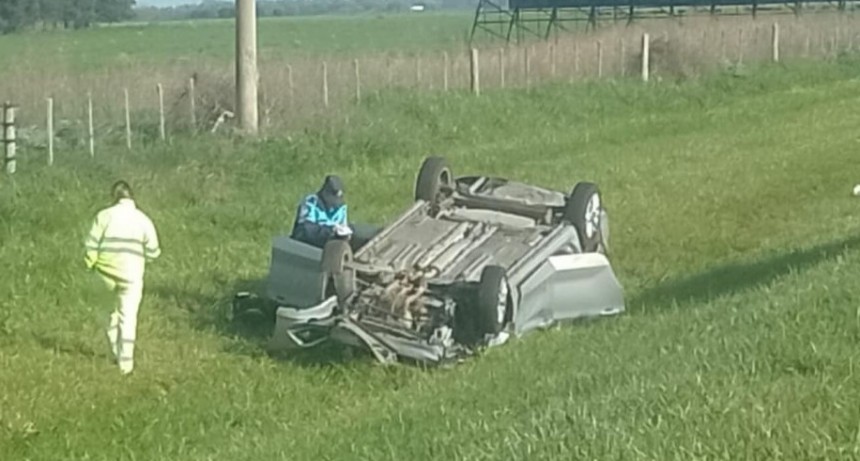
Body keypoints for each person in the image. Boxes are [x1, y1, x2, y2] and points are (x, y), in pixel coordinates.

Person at [84, 180, 161, 375]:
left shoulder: (103, 216)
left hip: (104, 274)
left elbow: (90, 245)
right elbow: (153, 251)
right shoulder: (143, 219)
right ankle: (125, 364)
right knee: (128, 318)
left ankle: (115, 350)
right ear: (131, 197)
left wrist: (90, 264)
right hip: (131, 276)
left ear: (114, 197)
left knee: (108, 314)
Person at [290, 175, 353, 248]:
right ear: (325, 193)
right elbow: (304, 230)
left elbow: (343, 227)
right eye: (333, 199)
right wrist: (330, 231)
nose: (335, 203)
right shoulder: (310, 203)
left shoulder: (341, 207)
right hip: (306, 246)